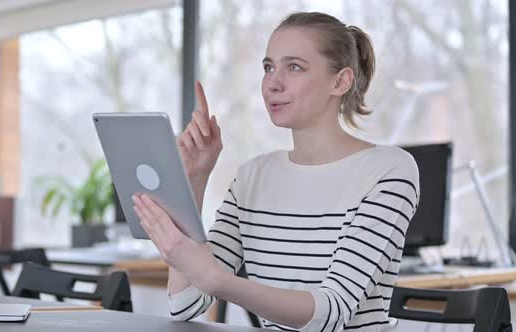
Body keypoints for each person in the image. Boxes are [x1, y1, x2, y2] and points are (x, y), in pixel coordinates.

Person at [132, 11, 419, 331]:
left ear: (340, 81)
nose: (273, 83)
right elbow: (186, 304)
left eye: (294, 67)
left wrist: (215, 279)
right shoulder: (252, 176)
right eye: (269, 67)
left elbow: (332, 311)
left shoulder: (388, 170)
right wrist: (195, 180)